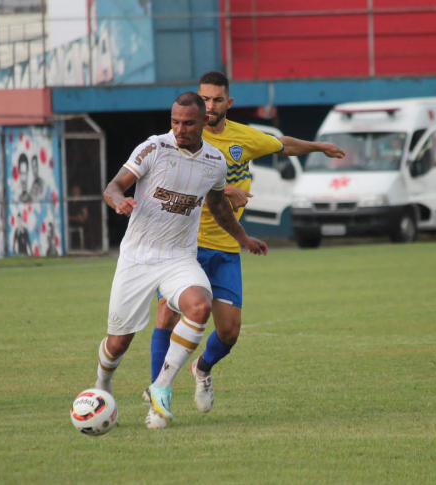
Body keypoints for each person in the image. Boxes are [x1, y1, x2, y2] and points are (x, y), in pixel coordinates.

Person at [148, 71, 345, 428]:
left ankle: (202, 368)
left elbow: (281, 144)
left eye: (216, 100)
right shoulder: (185, 138)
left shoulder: (243, 138)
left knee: (229, 332)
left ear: (228, 103)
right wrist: (222, 192)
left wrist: (319, 147)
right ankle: (159, 394)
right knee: (167, 316)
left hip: (226, 248)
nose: (209, 106)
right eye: (204, 99)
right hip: (185, 246)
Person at [94, 91, 267, 429]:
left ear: (204, 121)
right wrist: (119, 201)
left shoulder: (216, 161)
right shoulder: (153, 148)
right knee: (118, 343)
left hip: (178, 257)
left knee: (200, 306)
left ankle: (162, 387)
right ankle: (102, 385)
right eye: (175, 121)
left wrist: (243, 238)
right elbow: (114, 185)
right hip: (138, 257)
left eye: (188, 123)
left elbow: (218, 206)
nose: (180, 129)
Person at [68, 185, 89, 249]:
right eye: (74, 191)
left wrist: (72, 218)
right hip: (70, 222)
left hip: (80, 223)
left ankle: (84, 246)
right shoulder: (69, 202)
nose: (75, 193)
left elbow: (84, 217)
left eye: (77, 191)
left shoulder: (81, 202)